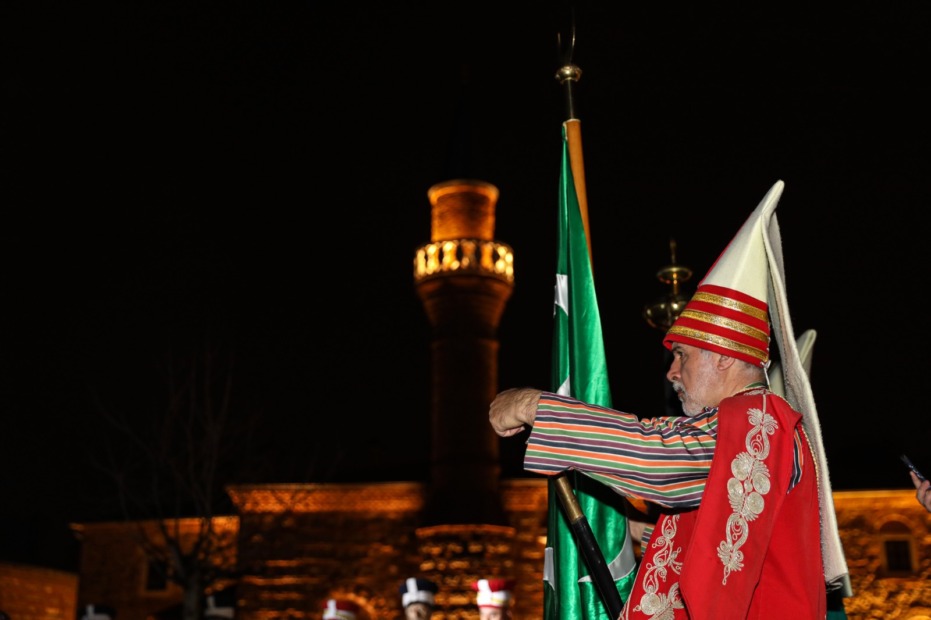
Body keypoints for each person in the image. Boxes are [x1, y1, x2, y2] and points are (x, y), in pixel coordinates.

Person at [488, 181, 849, 619]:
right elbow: (700, 539)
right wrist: (632, 530)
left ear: (722, 354)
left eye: (682, 355)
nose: (671, 372)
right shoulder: (739, 434)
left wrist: (535, 406)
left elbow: (660, 457)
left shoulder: (758, 418)